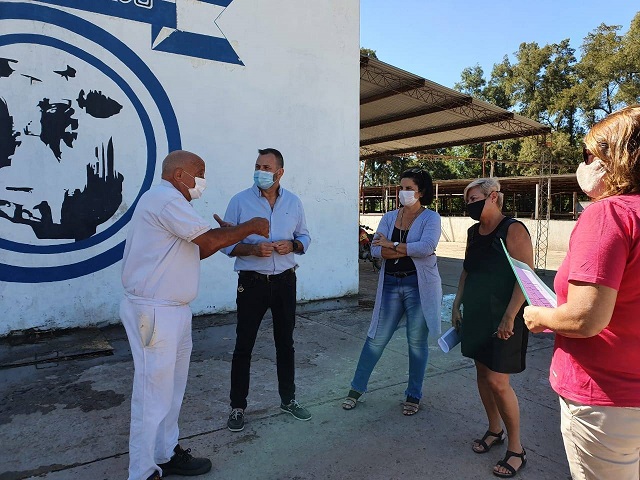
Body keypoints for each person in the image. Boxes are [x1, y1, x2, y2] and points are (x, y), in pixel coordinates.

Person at [120, 150, 269, 480]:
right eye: (199, 173)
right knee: (152, 393)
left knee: (171, 391)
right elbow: (210, 240)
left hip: (173, 311)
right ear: (179, 175)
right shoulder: (165, 200)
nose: (203, 180)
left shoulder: (173, 203)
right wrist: (250, 227)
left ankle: (164, 453)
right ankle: (141, 471)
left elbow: (201, 248)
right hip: (154, 313)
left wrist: (229, 233)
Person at [524, 106, 640, 480]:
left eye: (588, 155)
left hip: (607, 396)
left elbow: (584, 318)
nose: (584, 164)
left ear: (613, 159)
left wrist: (539, 315)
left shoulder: (610, 214)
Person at [221, 148, 311, 432]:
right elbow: (225, 243)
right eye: (258, 166)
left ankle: (288, 400)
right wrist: (252, 249)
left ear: (279, 172)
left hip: (285, 282)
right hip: (252, 283)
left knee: (285, 344)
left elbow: (305, 237)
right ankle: (238, 407)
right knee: (243, 346)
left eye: (266, 167)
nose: (260, 171)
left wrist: (293, 245)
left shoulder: (293, 202)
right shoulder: (239, 201)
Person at [451, 177, 533, 478]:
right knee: (483, 375)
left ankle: (516, 448)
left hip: (503, 316)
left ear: (493, 197)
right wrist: (456, 303)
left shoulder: (513, 229)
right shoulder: (473, 233)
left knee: (499, 382)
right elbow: (467, 271)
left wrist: (510, 315)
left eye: (474, 199)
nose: (469, 205)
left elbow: (525, 276)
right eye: (467, 201)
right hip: (476, 314)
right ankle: (494, 429)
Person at [343, 168, 441, 416]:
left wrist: (393, 244)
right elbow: (376, 250)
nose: (403, 192)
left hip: (418, 285)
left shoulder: (431, 218)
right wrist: (400, 248)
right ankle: (356, 388)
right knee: (376, 337)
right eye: (401, 188)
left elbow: (427, 246)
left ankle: (413, 394)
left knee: (416, 342)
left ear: (421, 192)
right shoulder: (389, 217)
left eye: (409, 188)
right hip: (390, 283)